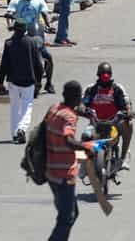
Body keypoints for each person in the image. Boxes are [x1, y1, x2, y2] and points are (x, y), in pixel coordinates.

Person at [44, 80, 94, 241]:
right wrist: (86, 148)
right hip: (64, 174)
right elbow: (68, 140)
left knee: (71, 213)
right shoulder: (70, 118)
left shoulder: (54, 109)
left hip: (50, 171)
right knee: (66, 218)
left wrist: (84, 113)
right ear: (78, 97)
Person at [82, 62, 135, 171]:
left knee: (128, 124)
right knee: (84, 136)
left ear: (110, 75)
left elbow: (126, 102)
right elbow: (83, 102)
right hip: (96, 123)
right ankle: (83, 164)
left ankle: (123, 157)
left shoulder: (117, 88)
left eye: (107, 74)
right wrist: (81, 109)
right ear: (98, 75)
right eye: (102, 74)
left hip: (114, 123)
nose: (105, 76)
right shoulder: (91, 89)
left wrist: (128, 112)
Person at [0, 20, 44, 143]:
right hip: (28, 80)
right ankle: (21, 129)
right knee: (26, 107)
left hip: (13, 81)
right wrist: (39, 80)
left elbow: (4, 64)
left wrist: (0, 81)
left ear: (15, 29)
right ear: (25, 30)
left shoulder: (8, 43)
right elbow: (38, 63)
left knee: (14, 107)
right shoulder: (32, 42)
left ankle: (14, 133)